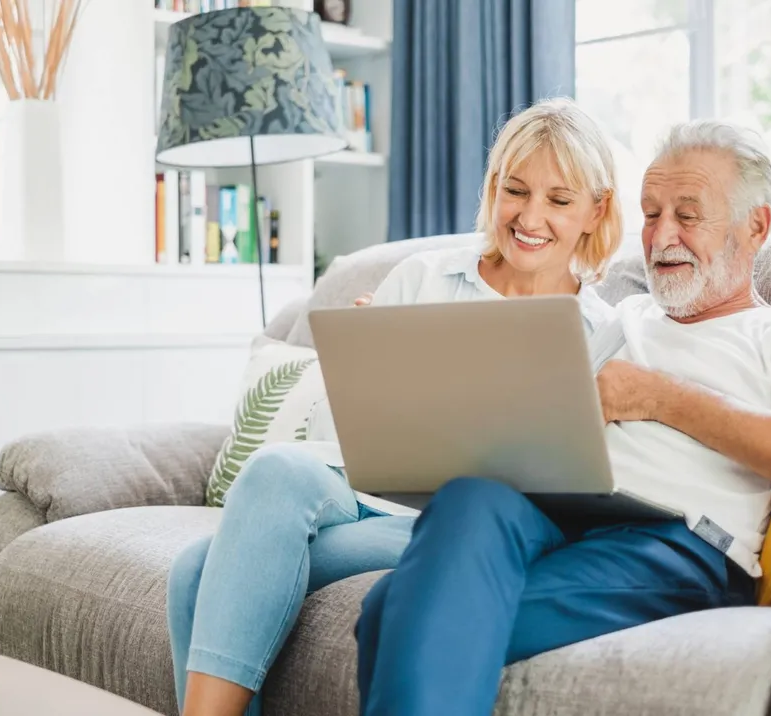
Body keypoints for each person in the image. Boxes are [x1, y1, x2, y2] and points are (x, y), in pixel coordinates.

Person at [353, 120, 771, 716]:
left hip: (676, 542)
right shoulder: (617, 318)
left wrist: (658, 397)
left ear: (755, 226)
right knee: (472, 496)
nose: (662, 237)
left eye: (688, 215)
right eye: (652, 214)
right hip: (559, 511)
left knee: (392, 611)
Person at [166, 96, 624, 716]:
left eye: (559, 200)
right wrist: (363, 374)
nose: (530, 216)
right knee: (250, 502)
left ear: (596, 210)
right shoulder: (424, 277)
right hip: (370, 495)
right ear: (494, 187)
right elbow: (340, 442)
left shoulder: (601, 333)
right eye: (515, 190)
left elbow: (579, 476)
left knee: (201, 568)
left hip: (456, 530)